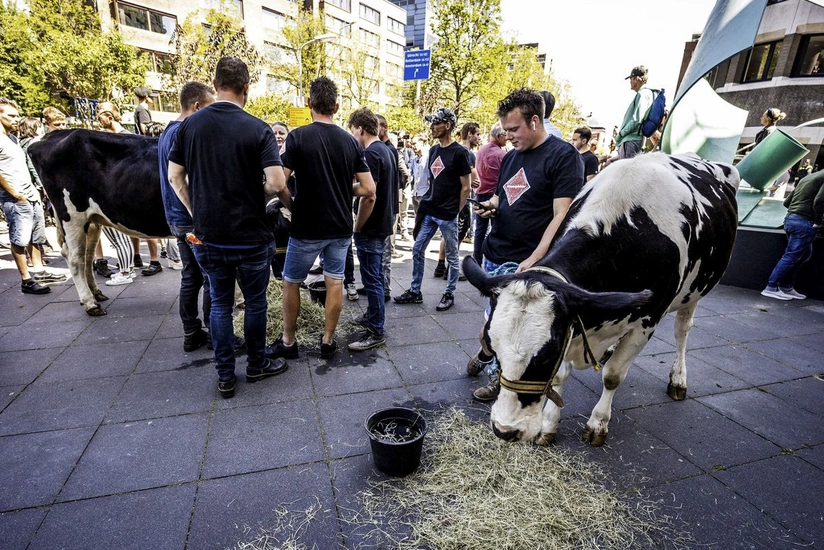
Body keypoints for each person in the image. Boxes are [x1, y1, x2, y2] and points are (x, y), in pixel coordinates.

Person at [168, 56, 290, 399]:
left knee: (220, 303)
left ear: (215, 83)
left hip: (209, 235)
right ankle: (256, 365)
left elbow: (174, 176)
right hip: (251, 235)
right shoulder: (258, 128)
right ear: (246, 88)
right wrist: (260, 189)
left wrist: (196, 209)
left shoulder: (189, 126)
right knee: (255, 302)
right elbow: (277, 182)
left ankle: (224, 376)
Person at [469, 88, 584, 401]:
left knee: (511, 332)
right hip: (496, 253)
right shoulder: (510, 157)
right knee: (491, 325)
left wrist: (536, 258)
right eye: (505, 130)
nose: (508, 136)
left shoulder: (563, 156)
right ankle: (487, 356)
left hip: (527, 262)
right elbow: (503, 196)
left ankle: (501, 380)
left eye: (514, 129)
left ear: (535, 121)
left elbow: (562, 216)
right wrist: (490, 205)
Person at [266, 76, 376, 361]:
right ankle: (327, 341)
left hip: (306, 227)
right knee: (335, 282)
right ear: (337, 106)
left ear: (309, 103)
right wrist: (343, 189)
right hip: (340, 227)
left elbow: (280, 184)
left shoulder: (298, 137)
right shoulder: (351, 142)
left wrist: (292, 205)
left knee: (291, 282)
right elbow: (368, 189)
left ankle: (288, 342)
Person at [158, 81, 216, 352]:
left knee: (190, 275)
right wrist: (198, 214)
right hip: (190, 219)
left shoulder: (167, 132)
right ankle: (215, 332)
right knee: (209, 276)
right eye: (208, 107)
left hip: (176, 217)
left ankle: (192, 332)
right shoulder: (186, 132)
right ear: (196, 106)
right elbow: (179, 178)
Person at [394, 107, 471, 312]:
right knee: (418, 249)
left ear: (447, 125)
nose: (432, 128)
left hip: (448, 215)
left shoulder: (460, 153)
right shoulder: (435, 150)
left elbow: (466, 187)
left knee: (453, 256)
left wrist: (456, 211)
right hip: (430, 211)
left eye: (436, 123)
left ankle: (449, 293)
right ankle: (415, 291)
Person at [0, 97, 62, 294]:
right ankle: (26, 280)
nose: (16, 119)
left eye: (17, 115)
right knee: (19, 238)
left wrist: (33, 190)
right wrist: (15, 194)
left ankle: (39, 270)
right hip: (14, 197)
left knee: (36, 235)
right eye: (11, 115)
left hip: (29, 194)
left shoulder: (12, 137)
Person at [347, 108, 394, 350]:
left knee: (372, 279)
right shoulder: (384, 150)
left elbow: (369, 195)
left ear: (360, 129)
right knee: (372, 276)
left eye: (351, 130)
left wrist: (358, 225)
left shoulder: (371, 153)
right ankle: (372, 317)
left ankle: (376, 331)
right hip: (381, 224)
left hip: (371, 226)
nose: (351, 135)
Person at [761, 169, 823, 300]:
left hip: (791, 219)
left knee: (804, 255)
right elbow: (820, 200)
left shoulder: (809, 177)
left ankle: (786, 287)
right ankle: (771, 287)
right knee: (792, 256)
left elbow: (786, 202)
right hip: (805, 221)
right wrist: (818, 221)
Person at [434, 121, 479, 280]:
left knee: (446, 235)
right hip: (461, 201)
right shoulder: (467, 153)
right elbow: (474, 180)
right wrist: (475, 181)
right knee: (457, 235)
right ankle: (449, 270)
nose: (478, 138)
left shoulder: (450, 150)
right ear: (469, 134)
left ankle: (440, 265)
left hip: (446, 200)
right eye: (477, 134)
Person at [472, 122, 507, 264]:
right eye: (505, 135)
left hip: (480, 193)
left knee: (480, 230)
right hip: (494, 195)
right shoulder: (501, 154)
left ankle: (476, 260)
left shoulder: (482, 150)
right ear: (498, 136)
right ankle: (492, 261)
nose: (508, 138)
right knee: (496, 229)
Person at [615, 66, 654, 159]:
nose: (630, 82)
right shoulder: (648, 93)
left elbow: (636, 119)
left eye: (631, 79)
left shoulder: (642, 94)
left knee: (625, 172)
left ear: (636, 79)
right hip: (634, 140)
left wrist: (620, 134)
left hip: (631, 140)